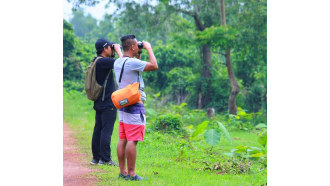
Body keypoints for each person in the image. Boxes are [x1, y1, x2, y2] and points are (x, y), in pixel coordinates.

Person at [114, 35, 158, 181]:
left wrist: (133, 50)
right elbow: (154, 65)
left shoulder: (118, 61)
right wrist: (148, 47)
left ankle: (123, 172)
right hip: (134, 104)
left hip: (123, 103)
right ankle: (132, 174)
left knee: (123, 138)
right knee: (133, 140)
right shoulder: (132, 63)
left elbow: (128, 59)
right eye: (136, 46)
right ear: (133, 47)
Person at [90, 38, 123, 166]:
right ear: (105, 48)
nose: (111, 48)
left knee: (98, 129)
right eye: (110, 46)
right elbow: (121, 63)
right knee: (106, 130)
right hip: (107, 102)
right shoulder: (104, 62)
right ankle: (106, 159)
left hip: (99, 100)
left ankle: (96, 158)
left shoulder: (97, 60)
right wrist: (119, 50)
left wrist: (113, 50)